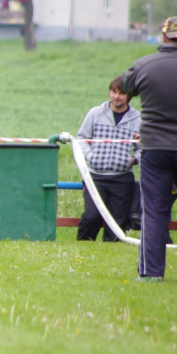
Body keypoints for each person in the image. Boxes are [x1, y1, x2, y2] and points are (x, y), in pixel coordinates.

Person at [121, 15, 177, 281]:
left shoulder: (144, 65)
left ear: (164, 35)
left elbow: (126, 86)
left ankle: (150, 273)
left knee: (154, 211)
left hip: (155, 148)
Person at [76, 76, 140, 242]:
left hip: (122, 178)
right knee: (91, 216)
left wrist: (133, 160)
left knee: (118, 221)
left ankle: (112, 247)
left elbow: (144, 147)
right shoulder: (95, 113)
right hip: (95, 176)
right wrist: (90, 156)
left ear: (129, 96)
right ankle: (83, 245)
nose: (116, 97)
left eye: (121, 93)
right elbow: (81, 138)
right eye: (114, 92)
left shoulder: (137, 119)